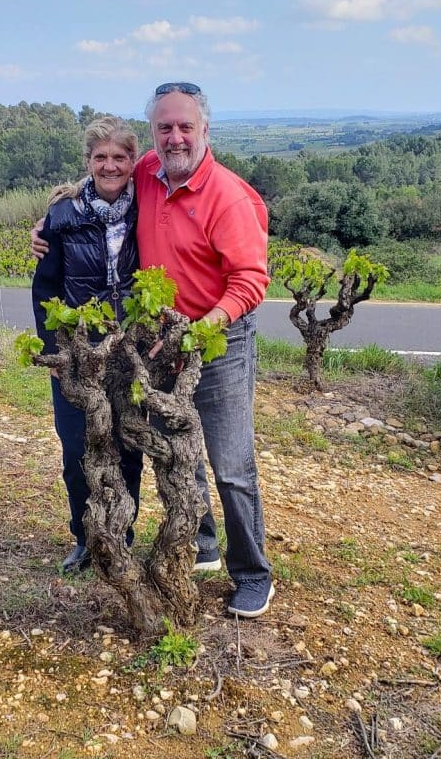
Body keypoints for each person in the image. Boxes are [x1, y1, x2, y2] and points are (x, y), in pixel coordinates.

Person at [33, 85, 274, 617]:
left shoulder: (228, 195)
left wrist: (202, 327)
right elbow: (102, 176)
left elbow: (251, 280)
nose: (175, 137)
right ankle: (203, 543)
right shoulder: (148, 171)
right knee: (176, 448)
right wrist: (51, 221)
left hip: (219, 336)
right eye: (165, 127)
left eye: (185, 126)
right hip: (159, 339)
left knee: (231, 463)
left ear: (204, 129)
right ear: (154, 135)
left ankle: (253, 574)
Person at [32, 116, 143, 574]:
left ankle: (122, 536)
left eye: (119, 156)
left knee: (128, 448)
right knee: (77, 449)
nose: (110, 165)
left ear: (133, 161)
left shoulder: (148, 209)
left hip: (130, 353)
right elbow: (45, 289)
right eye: (101, 157)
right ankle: (84, 537)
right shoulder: (63, 215)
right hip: (78, 353)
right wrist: (54, 351)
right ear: (88, 161)